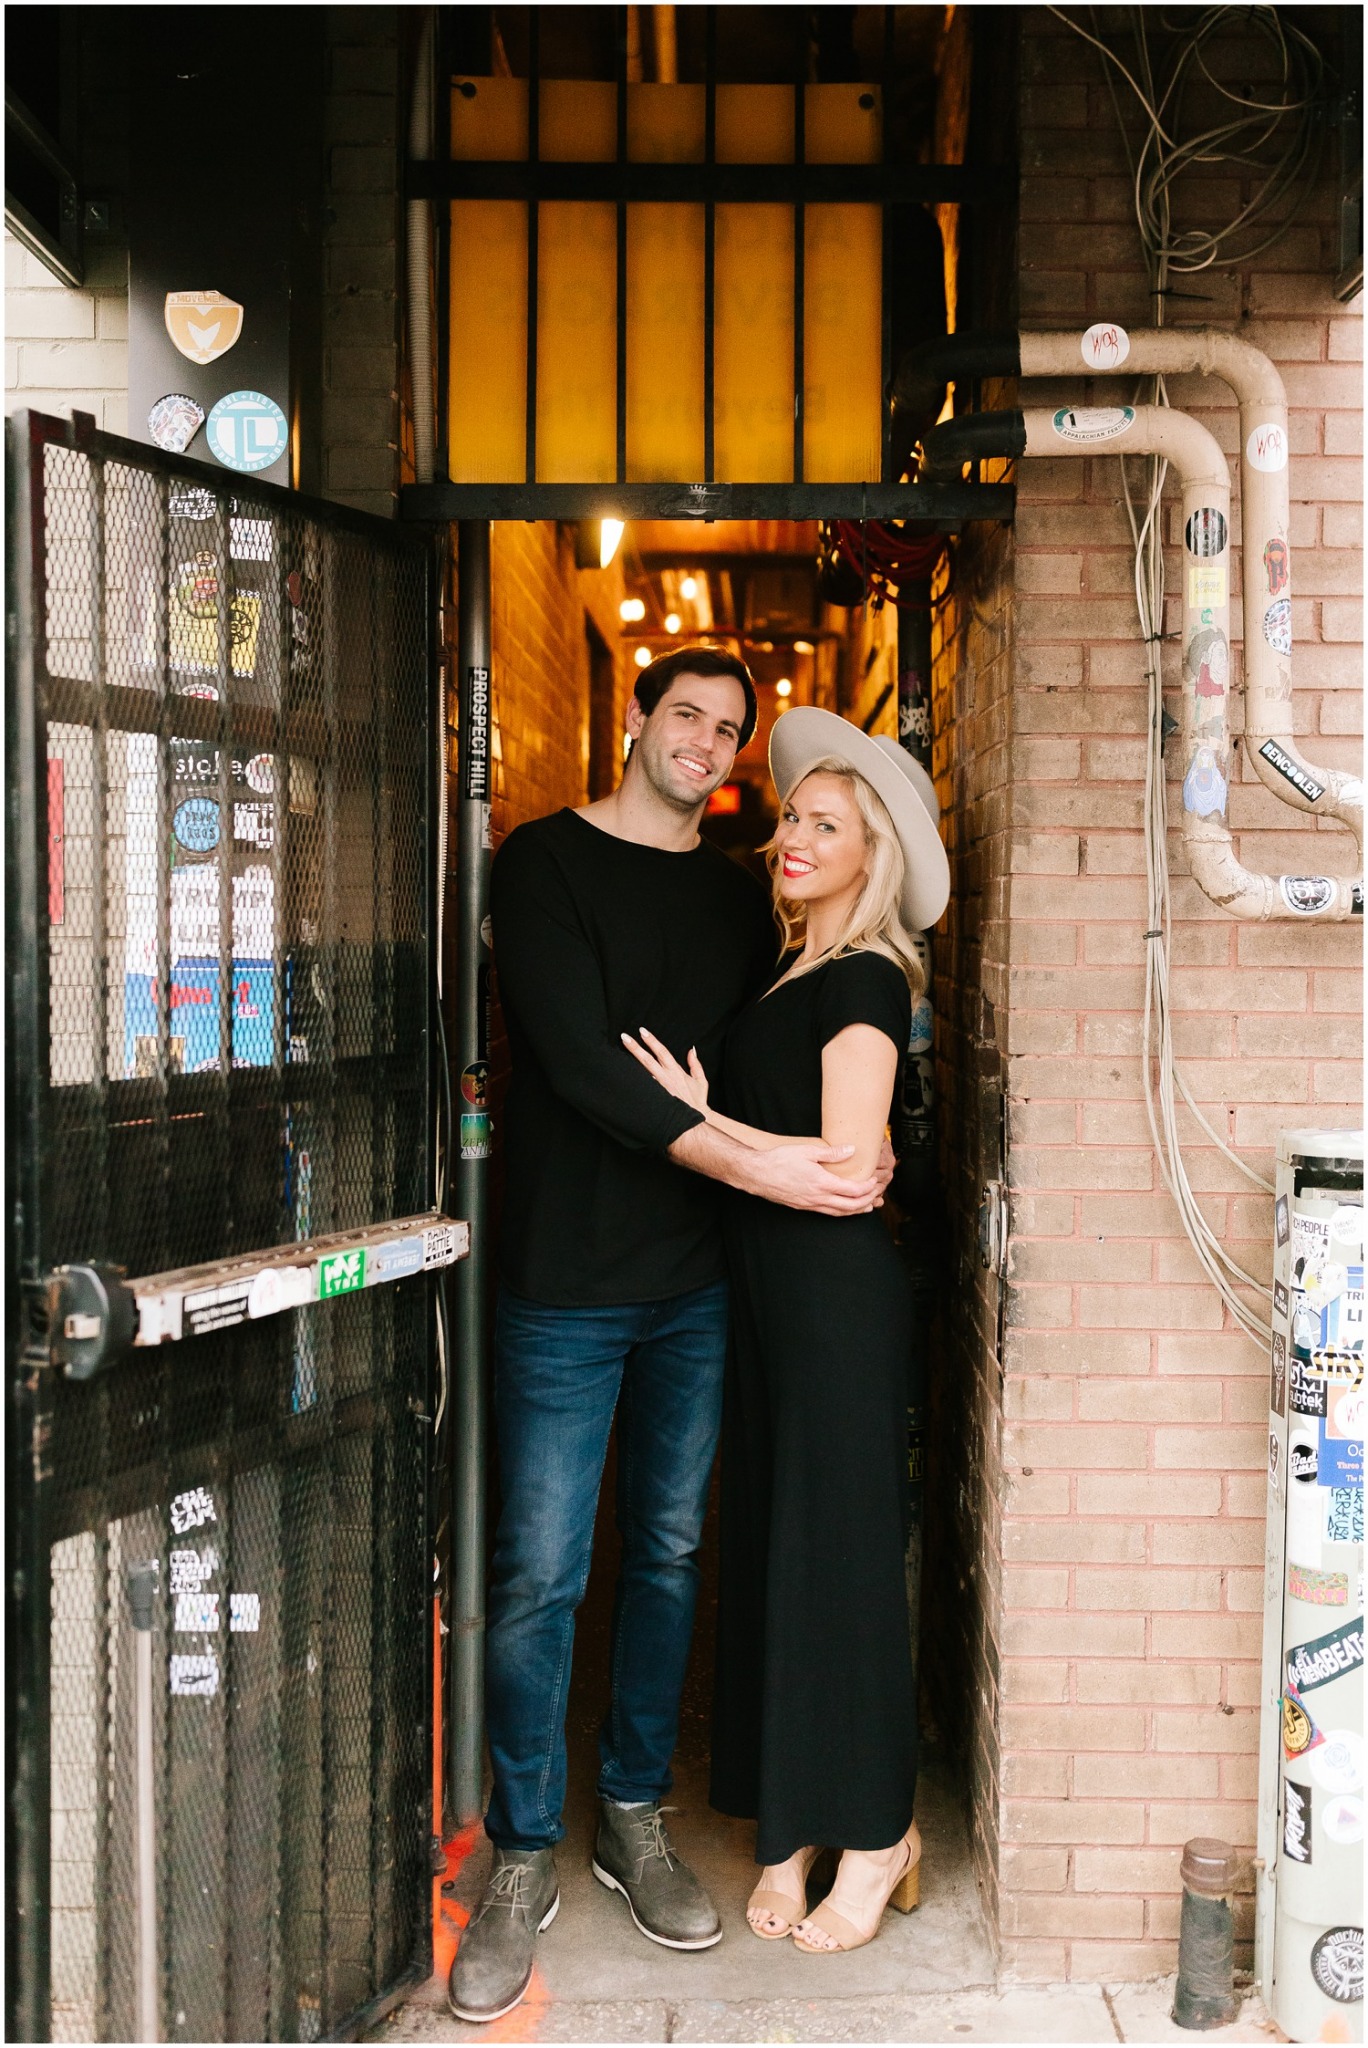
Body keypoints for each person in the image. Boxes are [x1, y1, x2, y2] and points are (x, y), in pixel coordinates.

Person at [449, 651, 893, 2025]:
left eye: (728, 730)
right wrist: (766, 1167)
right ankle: (525, 1846)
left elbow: (794, 1054)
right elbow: (582, 1068)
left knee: (669, 1555)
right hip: (565, 1283)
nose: (705, 741)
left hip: (702, 1287)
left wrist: (808, 1152)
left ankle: (633, 1812)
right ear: (636, 720)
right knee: (535, 1572)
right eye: (684, 715)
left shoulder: (742, 896)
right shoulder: (540, 865)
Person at [624, 705, 950, 1956]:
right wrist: (714, 1121)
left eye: (826, 824)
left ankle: (877, 1833)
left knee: (843, 1566)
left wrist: (695, 1125)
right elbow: (800, 1155)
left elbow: (852, 1164)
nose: (793, 839)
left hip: (830, 1303)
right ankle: (799, 1823)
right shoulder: (789, 970)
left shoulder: (866, 978)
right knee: (774, 1549)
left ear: (873, 857)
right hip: (763, 1292)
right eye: (792, 819)